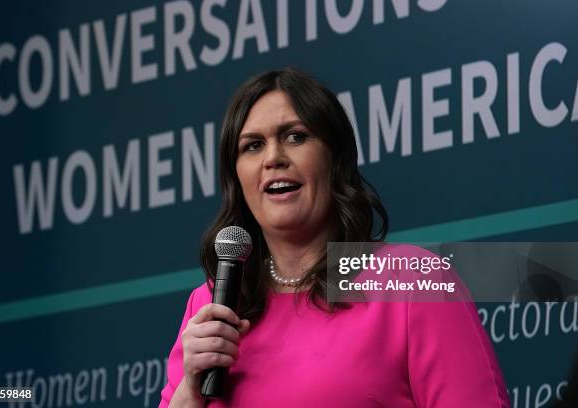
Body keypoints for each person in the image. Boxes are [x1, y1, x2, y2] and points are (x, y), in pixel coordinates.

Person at [158, 67, 510, 407]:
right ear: (236, 177)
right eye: (252, 146)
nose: (273, 158)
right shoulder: (211, 303)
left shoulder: (411, 278)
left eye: (295, 136)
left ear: (335, 159)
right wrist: (190, 391)